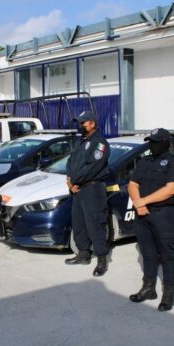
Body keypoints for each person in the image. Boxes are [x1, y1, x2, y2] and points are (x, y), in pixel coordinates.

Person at [128, 128, 174, 311]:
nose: (151, 145)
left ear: (165, 143)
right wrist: (139, 203)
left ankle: (168, 295)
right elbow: (133, 184)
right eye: (149, 141)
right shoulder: (145, 161)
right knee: (148, 254)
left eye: (154, 142)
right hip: (143, 214)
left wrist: (142, 201)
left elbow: (172, 189)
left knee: (167, 256)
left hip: (165, 215)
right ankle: (148, 288)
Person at [64, 111, 111, 277]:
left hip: (92, 189)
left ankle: (101, 260)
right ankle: (83, 253)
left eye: (83, 123)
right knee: (79, 223)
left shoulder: (99, 144)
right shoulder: (79, 141)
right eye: (79, 122)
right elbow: (70, 162)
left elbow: (92, 167)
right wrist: (70, 181)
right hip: (78, 189)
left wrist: (74, 180)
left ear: (92, 123)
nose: (80, 125)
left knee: (95, 225)